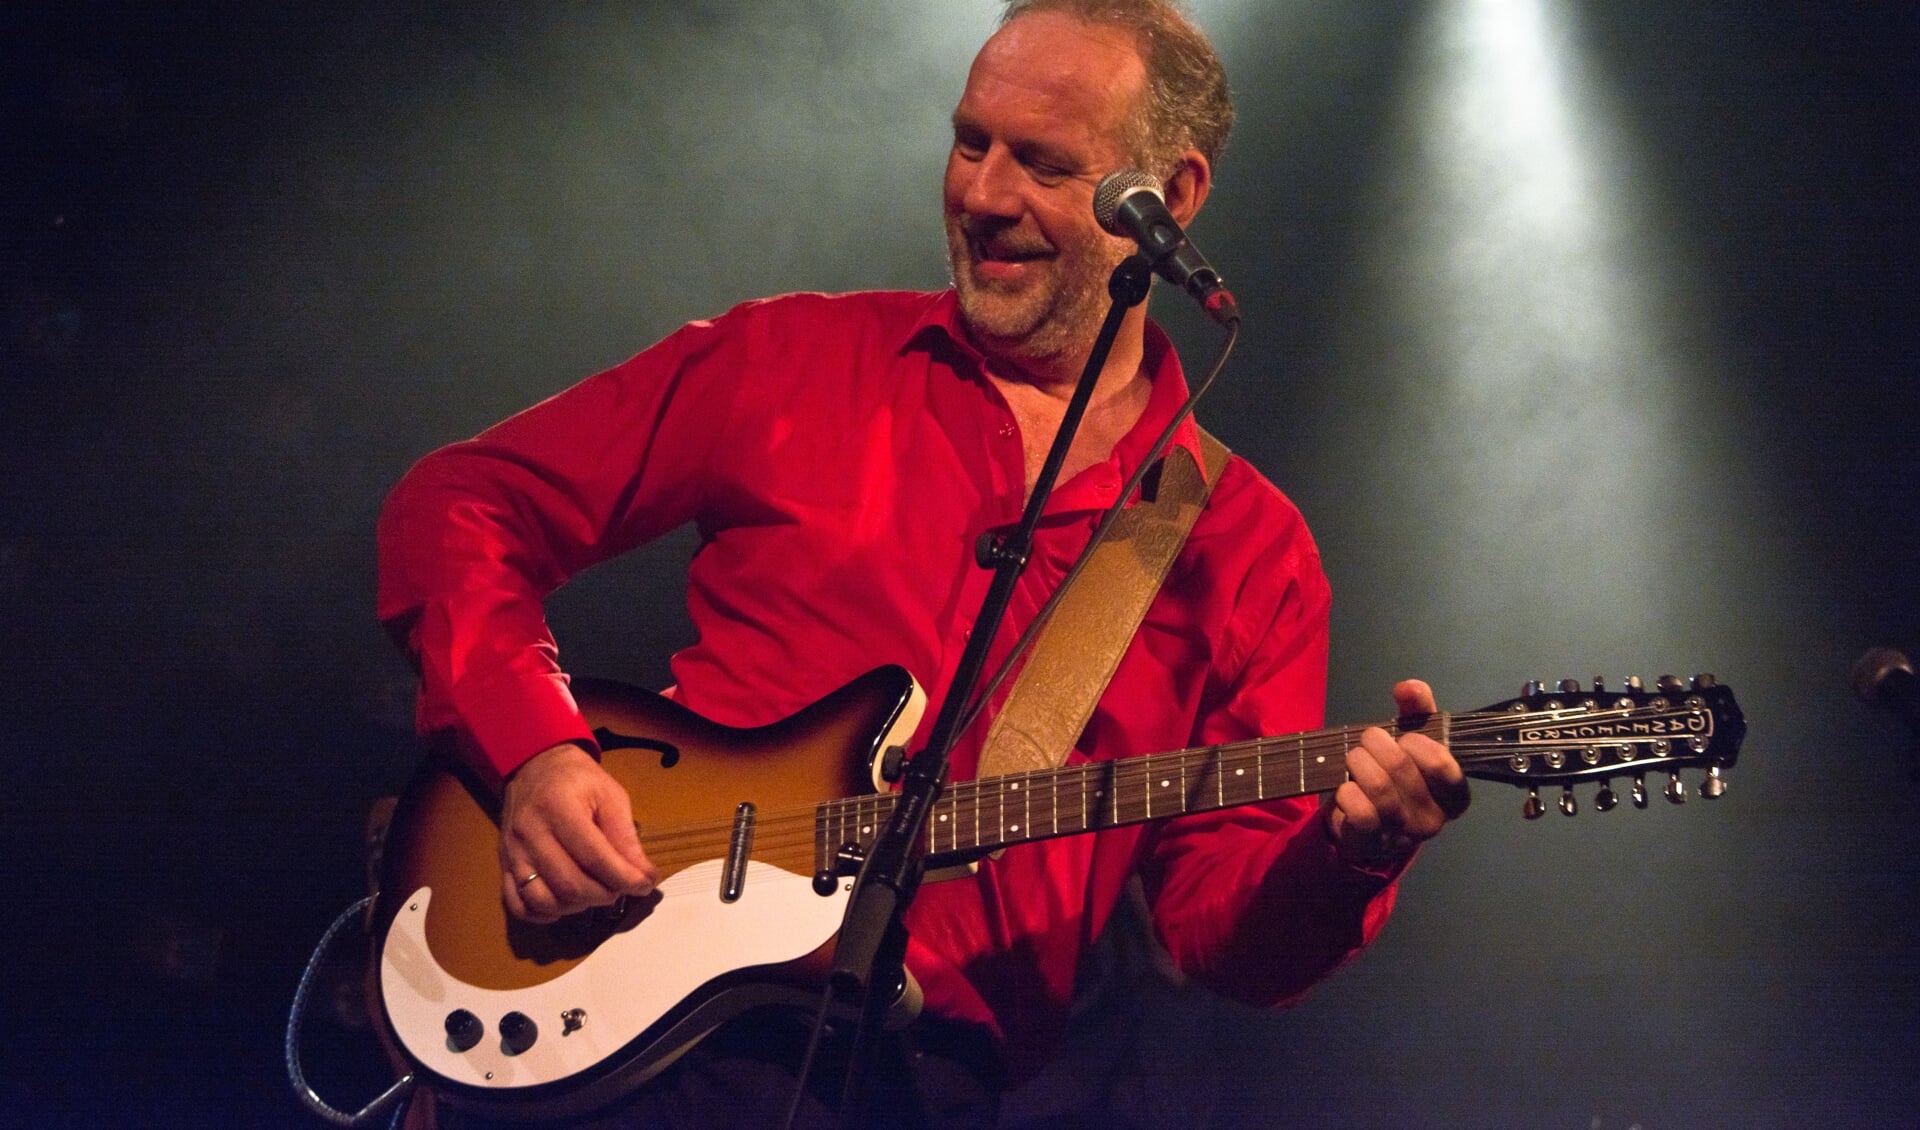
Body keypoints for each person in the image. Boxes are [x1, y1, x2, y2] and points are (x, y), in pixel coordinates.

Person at [376, 1, 1468, 1125]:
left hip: (914, 1078)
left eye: (1044, 164)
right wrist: (539, 752)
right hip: (616, 1023)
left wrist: (1348, 855)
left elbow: (1215, 931)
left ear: (1172, 199)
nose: (983, 196)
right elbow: (457, 504)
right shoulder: (793, 360)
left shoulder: (1243, 547)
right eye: (969, 141)